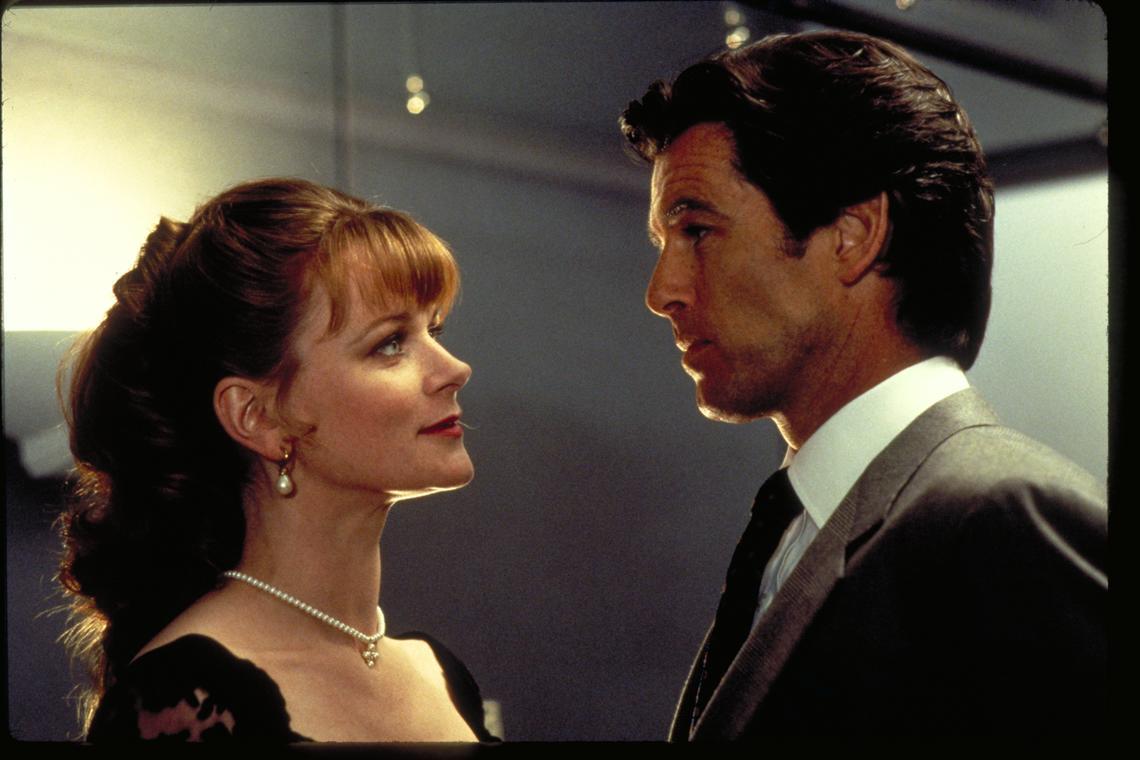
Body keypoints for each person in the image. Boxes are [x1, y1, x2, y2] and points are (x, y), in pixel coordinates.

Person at [619, 30, 1107, 738]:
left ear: (854, 236)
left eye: (696, 230)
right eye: (664, 244)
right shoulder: (803, 525)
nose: (660, 291)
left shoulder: (1003, 516)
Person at [57, 177, 497, 742]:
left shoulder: (439, 674)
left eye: (432, 330)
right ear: (257, 417)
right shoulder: (182, 699)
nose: (454, 369)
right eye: (390, 343)